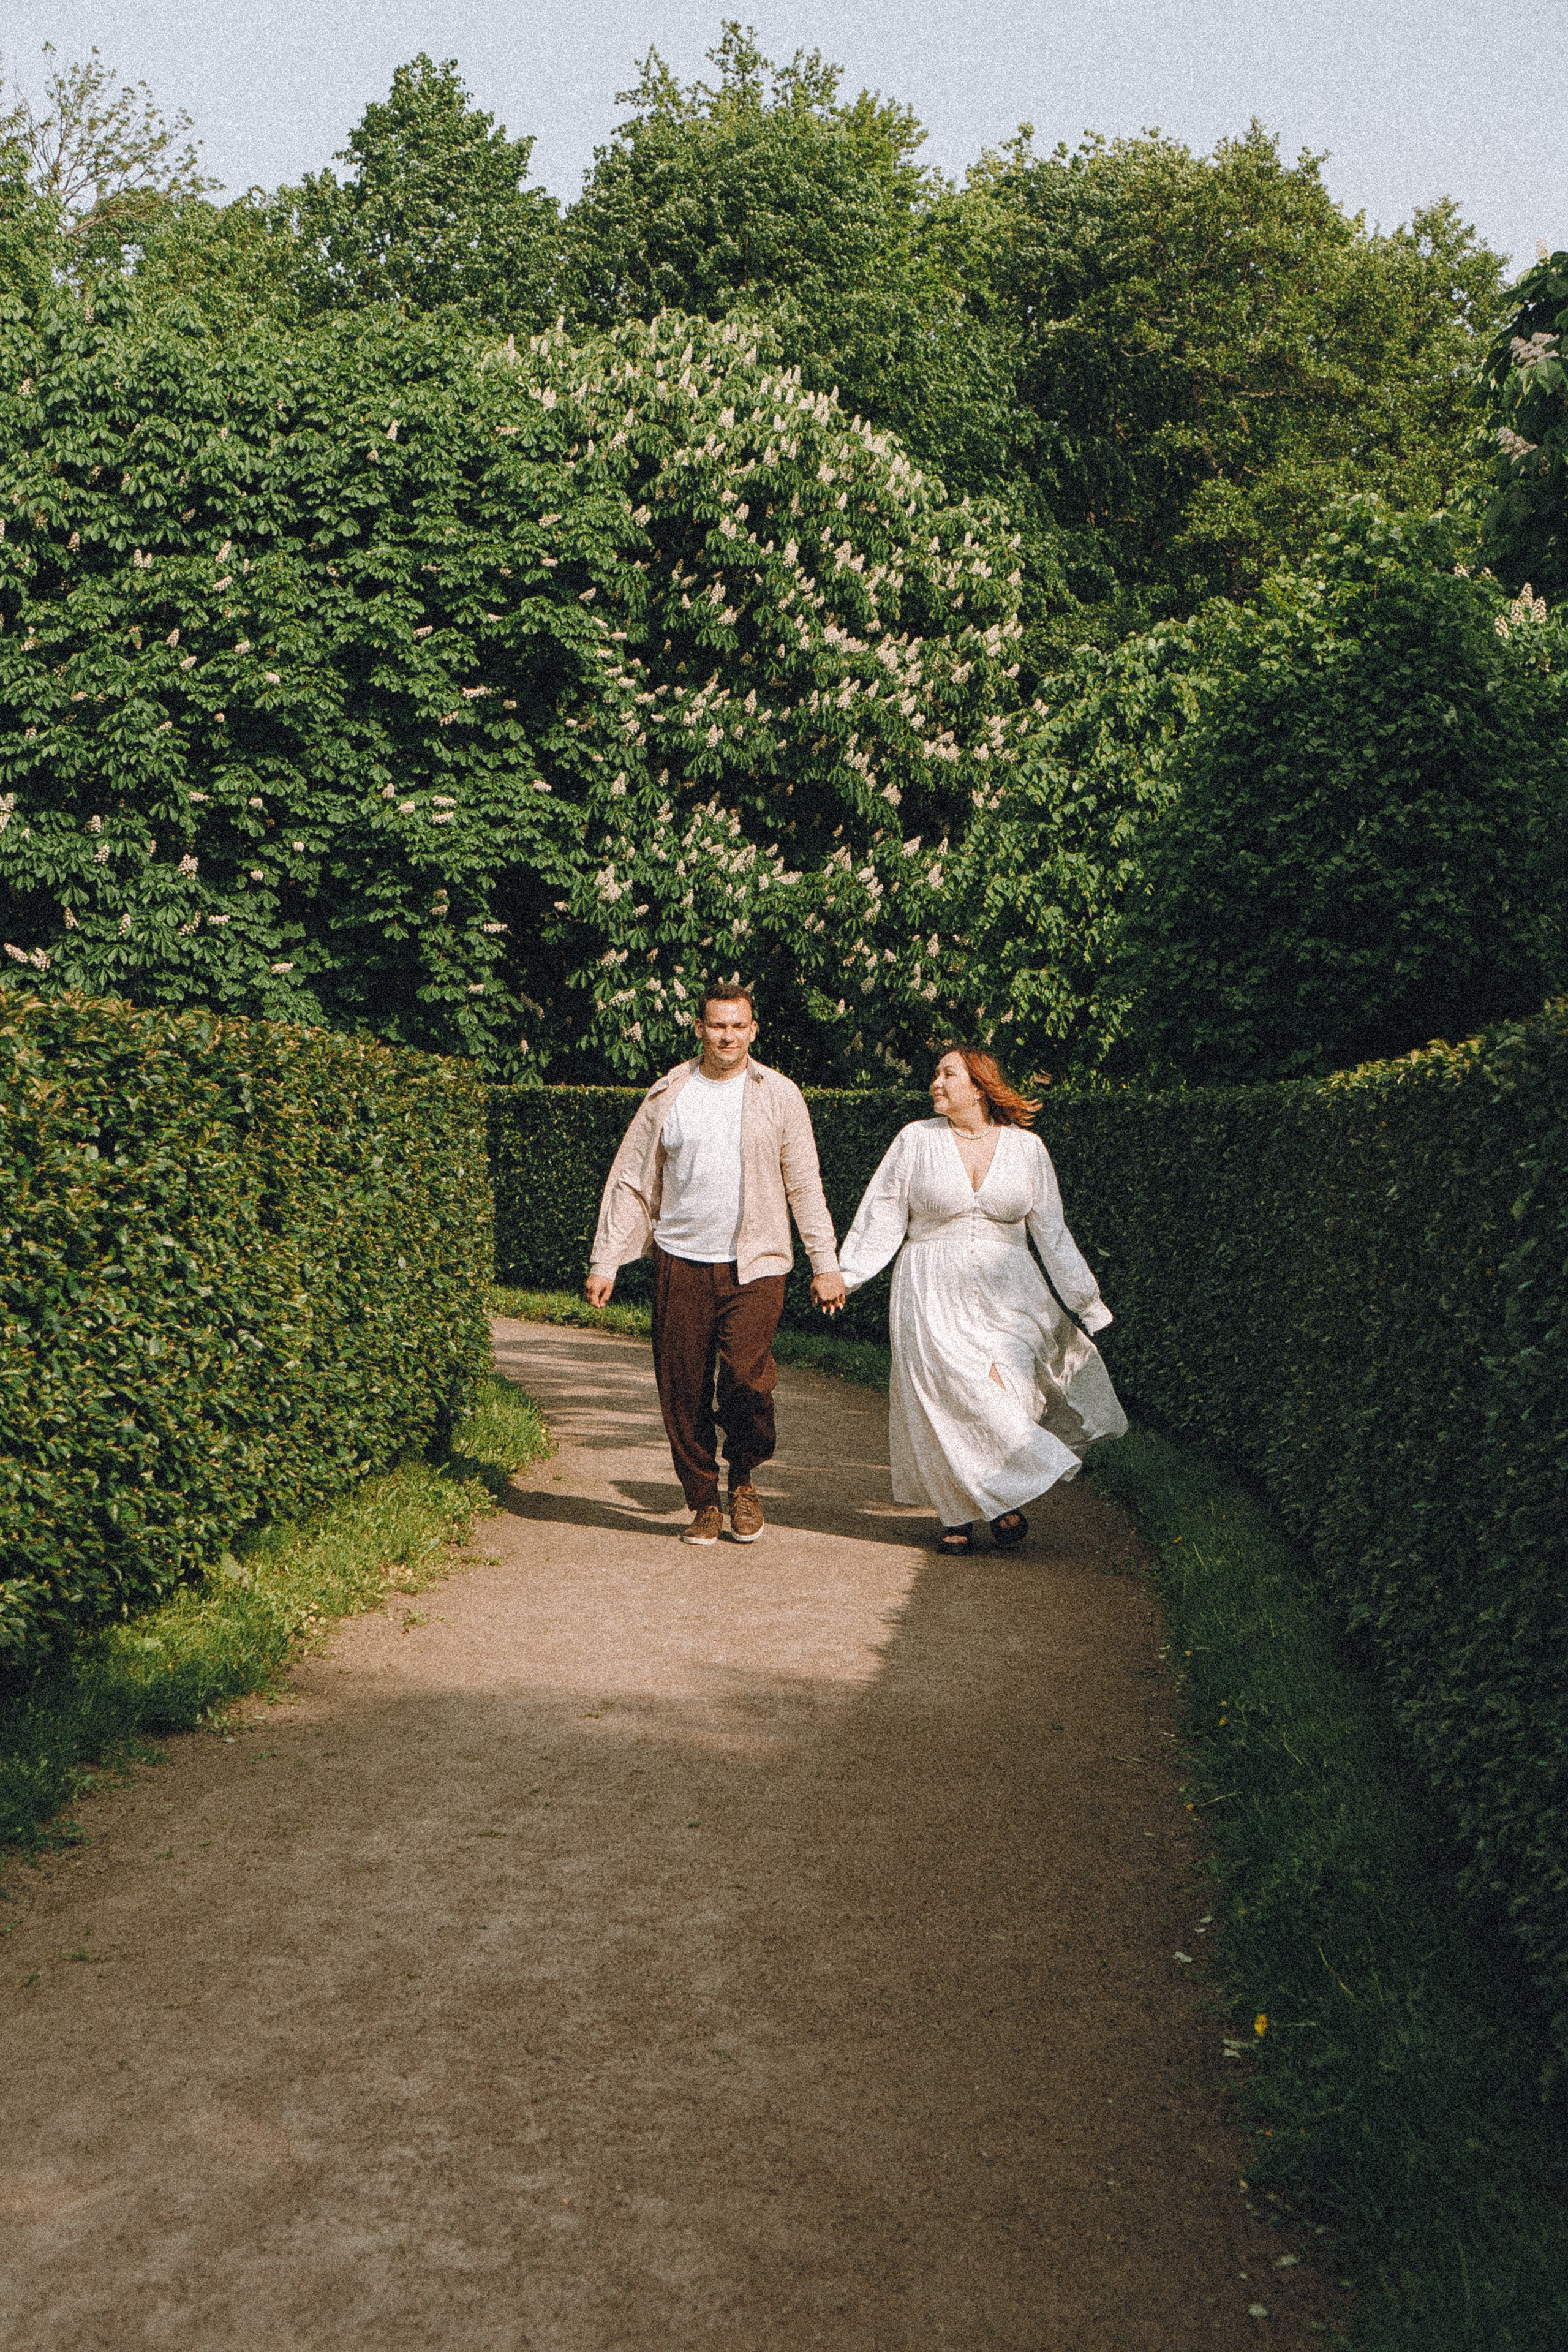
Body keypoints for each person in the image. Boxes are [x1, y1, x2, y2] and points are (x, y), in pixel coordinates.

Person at [837, 1046, 1127, 1555]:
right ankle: (961, 1514)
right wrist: (846, 1275)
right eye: (935, 1074)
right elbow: (881, 1214)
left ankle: (994, 1496)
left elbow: (1053, 1233)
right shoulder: (914, 1140)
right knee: (950, 1392)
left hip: (1011, 1290)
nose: (936, 1083)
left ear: (979, 1086)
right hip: (929, 1287)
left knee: (1007, 1388)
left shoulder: (1028, 1149)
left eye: (948, 1074)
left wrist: (1088, 1302)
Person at [586, 983, 846, 1545]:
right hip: (681, 1261)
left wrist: (825, 1264)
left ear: (753, 1030)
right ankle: (703, 1499)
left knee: (748, 1379)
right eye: (717, 1026)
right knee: (682, 1387)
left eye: (738, 1026)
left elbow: (804, 1185)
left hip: (757, 1264)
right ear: (699, 1029)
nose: (727, 1036)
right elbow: (631, 1179)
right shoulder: (668, 1094)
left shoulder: (780, 1095)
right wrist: (606, 1260)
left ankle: (745, 1478)